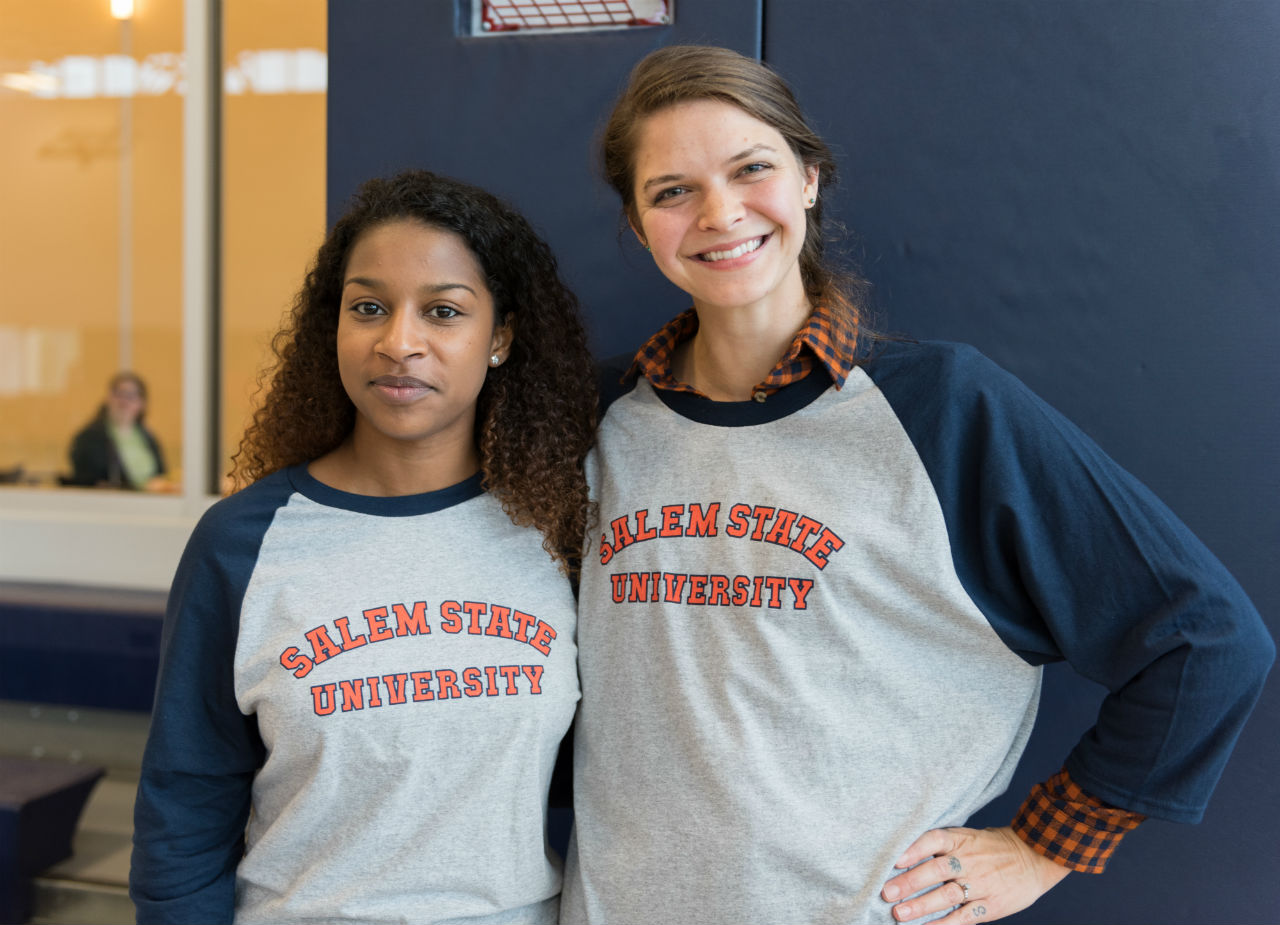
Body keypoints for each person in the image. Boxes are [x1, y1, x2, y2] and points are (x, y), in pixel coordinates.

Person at [562, 45, 1274, 925]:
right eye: (672, 190)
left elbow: (1205, 638)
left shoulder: (945, 409)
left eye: (752, 169)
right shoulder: (595, 422)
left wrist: (1043, 845)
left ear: (810, 179)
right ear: (639, 226)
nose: (720, 212)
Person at [129, 170, 597, 924]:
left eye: (443, 311)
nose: (398, 342)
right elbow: (185, 804)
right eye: (369, 307)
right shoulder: (243, 542)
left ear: (500, 337)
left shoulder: (560, 526)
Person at [66, 371, 169, 489]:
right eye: (119, 394)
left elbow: (161, 475)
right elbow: (88, 478)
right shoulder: (90, 437)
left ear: (142, 403)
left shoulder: (147, 436)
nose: (124, 401)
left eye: (131, 396)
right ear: (108, 398)